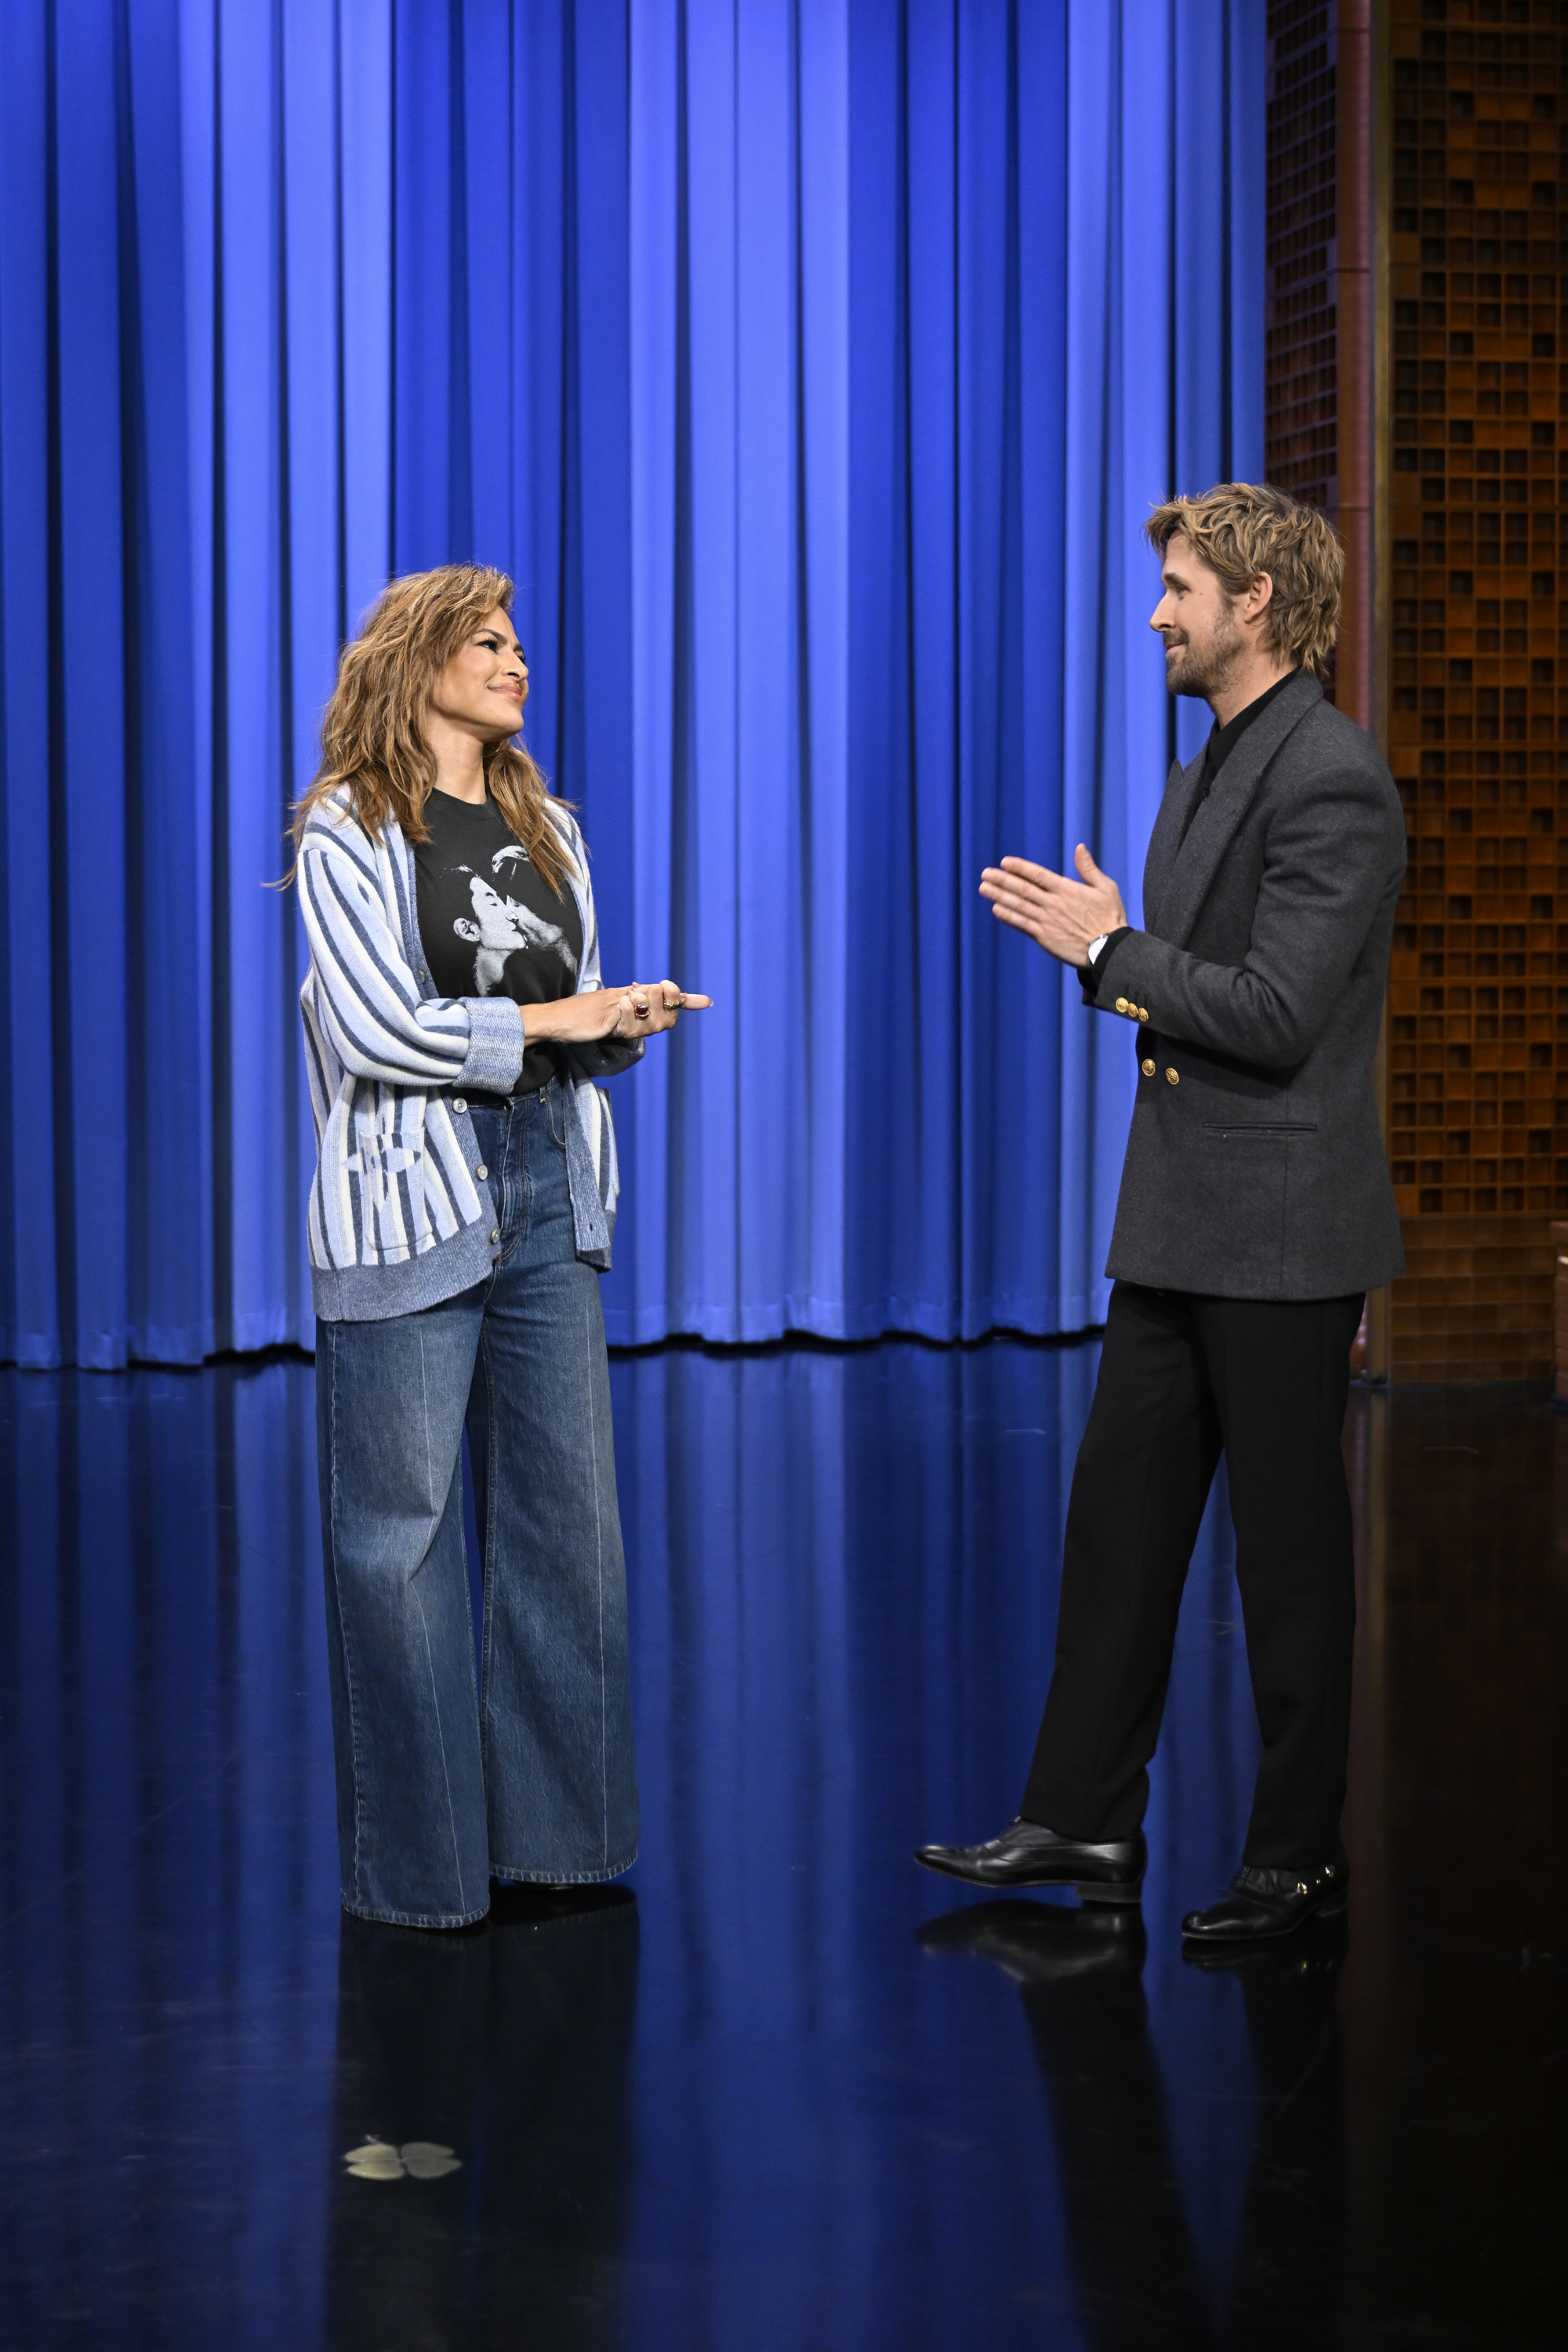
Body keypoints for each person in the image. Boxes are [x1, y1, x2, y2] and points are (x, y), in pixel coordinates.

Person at [916, 483, 1405, 1943]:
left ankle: (1297, 1857)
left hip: (1280, 1236)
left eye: (1182, 588)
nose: (1158, 614)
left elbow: (1270, 1013)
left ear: (1257, 602)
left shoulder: (1333, 778)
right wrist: (1114, 946)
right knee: (1117, 1529)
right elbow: (1183, 981)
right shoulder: (1207, 768)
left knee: (1289, 1558)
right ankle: (1081, 1816)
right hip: (1179, 1221)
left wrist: (1111, 947)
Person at [292, 563, 709, 1929]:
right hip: (414, 1191)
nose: (517, 660)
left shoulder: (547, 827)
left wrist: (618, 1025)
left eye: (520, 642)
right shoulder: (347, 829)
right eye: (487, 641)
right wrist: (560, 1022)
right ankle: (418, 1882)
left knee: (564, 1530)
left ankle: (560, 1846)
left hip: (545, 1179)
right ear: (415, 662)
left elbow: (561, 1014)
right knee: (398, 1541)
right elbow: (374, 1031)